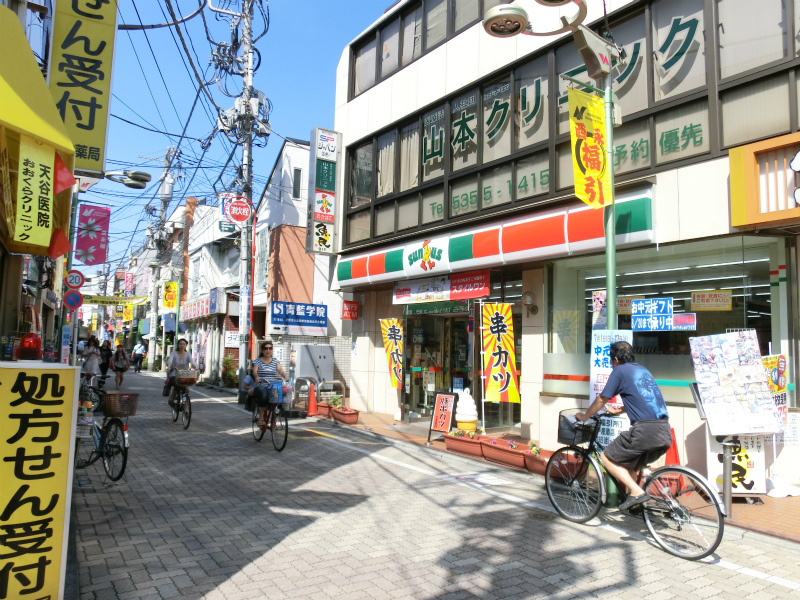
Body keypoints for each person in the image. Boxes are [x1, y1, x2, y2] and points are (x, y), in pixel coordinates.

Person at [576, 341, 671, 512]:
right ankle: (636, 503)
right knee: (629, 464)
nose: (612, 364)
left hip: (645, 431)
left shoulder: (619, 370)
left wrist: (584, 416)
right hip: (663, 430)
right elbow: (644, 398)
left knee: (606, 457)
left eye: (611, 361)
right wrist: (620, 410)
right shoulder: (642, 370)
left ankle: (636, 492)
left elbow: (601, 400)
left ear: (616, 359)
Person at [252, 341, 287, 429]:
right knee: (263, 394)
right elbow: (254, 371)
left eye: (270, 348)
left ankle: (277, 411)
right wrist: (256, 377)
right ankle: (261, 418)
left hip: (272, 385)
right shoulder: (257, 361)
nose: (268, 350)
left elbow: (280, 370)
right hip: (261, 385)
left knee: (282, 391)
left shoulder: (275, 361)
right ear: (262, 350)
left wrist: (286, 376)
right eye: (266, 348)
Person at [166, 339, 197, 405]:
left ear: (186, 346)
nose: (182, 345)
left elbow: (192, 363)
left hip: (185, 374)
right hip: (174, 373)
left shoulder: (188, 354)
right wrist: (169, 367)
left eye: (184, 344)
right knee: (177, 384)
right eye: (180, 344)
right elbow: (170, 362)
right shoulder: (173, 353)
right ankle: (172, 397)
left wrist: (196, 368)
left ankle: (185, 405)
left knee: (185, 386)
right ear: (178, 345)